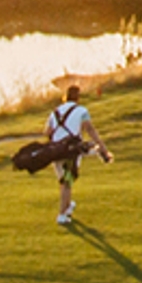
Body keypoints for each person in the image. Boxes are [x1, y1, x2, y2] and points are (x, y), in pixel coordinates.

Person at [45, 83, 110, 228]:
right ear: (78, 97)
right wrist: (102, 147)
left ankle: (67, 207)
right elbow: (90, 130)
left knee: (64, 181)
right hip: (71, 151)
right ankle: (62, 215)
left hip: (55, 150)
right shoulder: (81, 111)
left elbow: (48, 132)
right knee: (67, 183)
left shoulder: (54, 112)